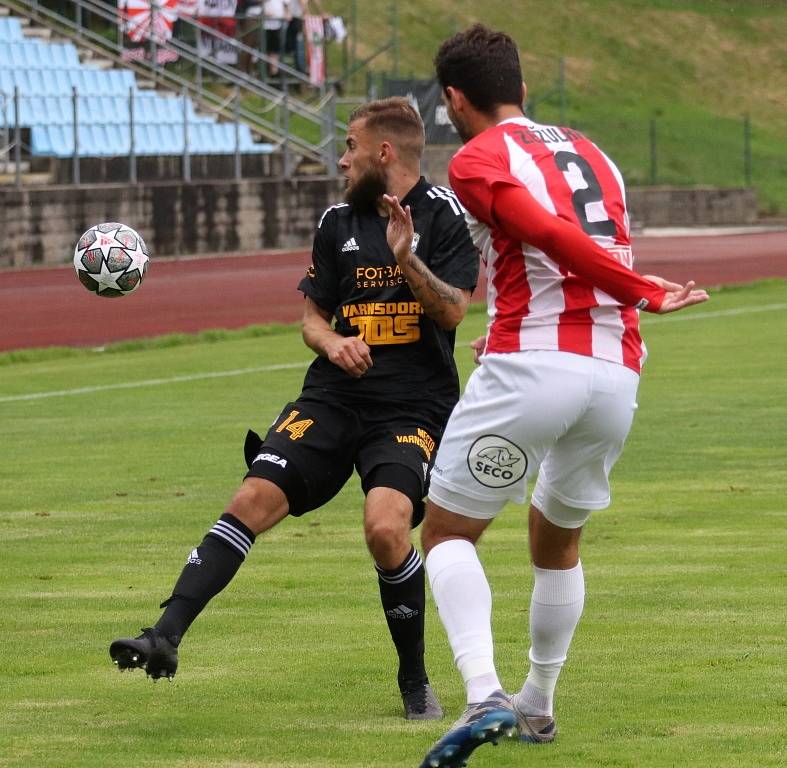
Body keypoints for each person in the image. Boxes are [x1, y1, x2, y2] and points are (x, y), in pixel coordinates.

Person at [109, 96, 480, 721]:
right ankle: (163, 635)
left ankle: (415, 682)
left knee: (387, 529)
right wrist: (334, 341)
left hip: (411, 408)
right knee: (251, 498)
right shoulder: (336, 221)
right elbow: (312, 319)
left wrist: (405, 258)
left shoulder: (444, 217)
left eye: (351, 146)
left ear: (383, 153)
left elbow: (453, 311)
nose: (341, 159)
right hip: (332, 397)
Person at [414, 24, 710, 767]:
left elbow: (542, 231)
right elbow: (573, 244)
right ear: (519, 84)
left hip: (533, 368)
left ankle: (483, 695)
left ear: (455, 97)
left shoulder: (475, 157)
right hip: (614, 375)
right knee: (556, 541)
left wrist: (640, 290)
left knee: (446, 534)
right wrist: (626, 296)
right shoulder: (592, 151)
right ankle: (537, 705)